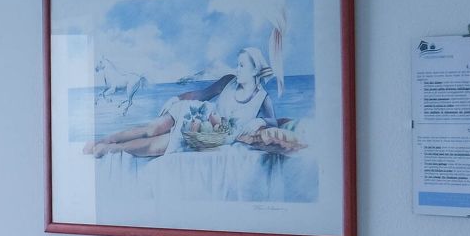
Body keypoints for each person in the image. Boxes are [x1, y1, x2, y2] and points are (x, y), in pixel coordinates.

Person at [86, 47, 305, 158]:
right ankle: (104, 139)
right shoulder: (229, 81)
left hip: (209, 132)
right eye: (237, 65)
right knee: (152, 128)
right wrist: (176, 98)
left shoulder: (262, 98)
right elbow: (202, 94)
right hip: (195, 113)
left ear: (255, 69)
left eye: (241, 66)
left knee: (156, 146)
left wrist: (263, 124)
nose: (236, 69)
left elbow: (272, 123)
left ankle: (108, 149)